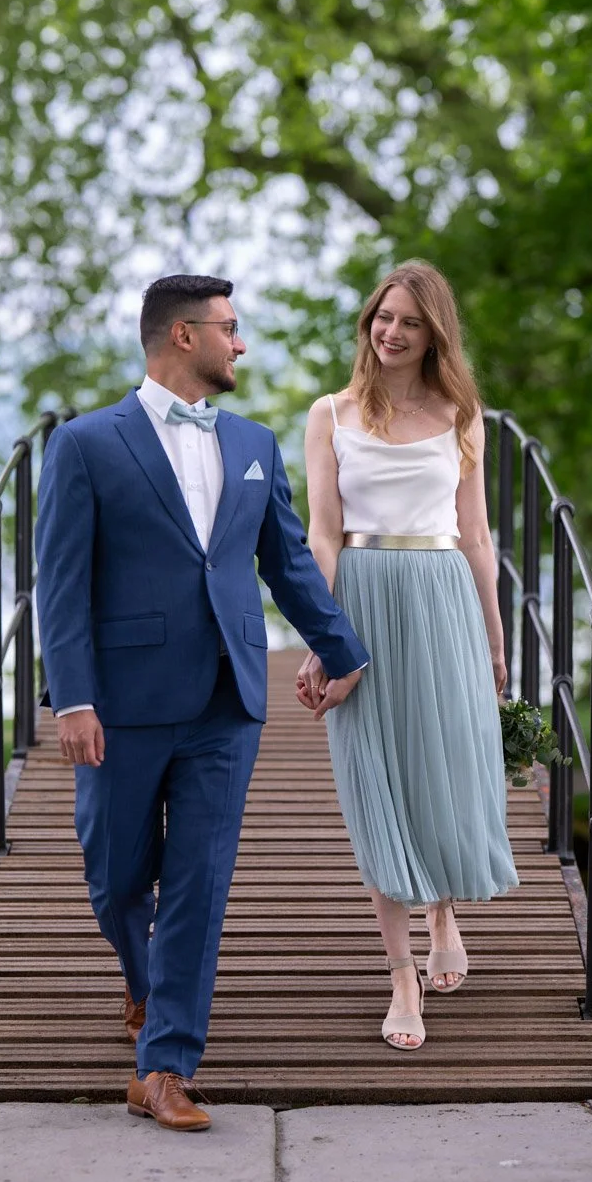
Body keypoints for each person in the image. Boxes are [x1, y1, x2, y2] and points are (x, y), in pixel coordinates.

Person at [35, 274, 369, 1130]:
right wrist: (71, 699)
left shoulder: (256, 443)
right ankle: (141, 980)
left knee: (200, 882)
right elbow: (61, 584)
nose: (241, 343)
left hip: (229, 697)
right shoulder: (84, 444)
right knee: (115, 879)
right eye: (229, 328)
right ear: (183, 337)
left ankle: (166, 1067)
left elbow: (288, 562)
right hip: (120, 699)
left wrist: (343, 650)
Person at [296, 260, 518, 1050]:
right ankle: (400, 976)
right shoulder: (330, 413)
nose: (391, 332)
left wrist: (495, 640)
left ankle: (444, 914)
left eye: (409, 322)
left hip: (441, 593)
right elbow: (321, 532)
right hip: (361, 593)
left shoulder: (463, 413)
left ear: (434, 333)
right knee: (373, 781)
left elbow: (479, 535)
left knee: (441, 763)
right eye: (382, 318)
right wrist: (321, 634)